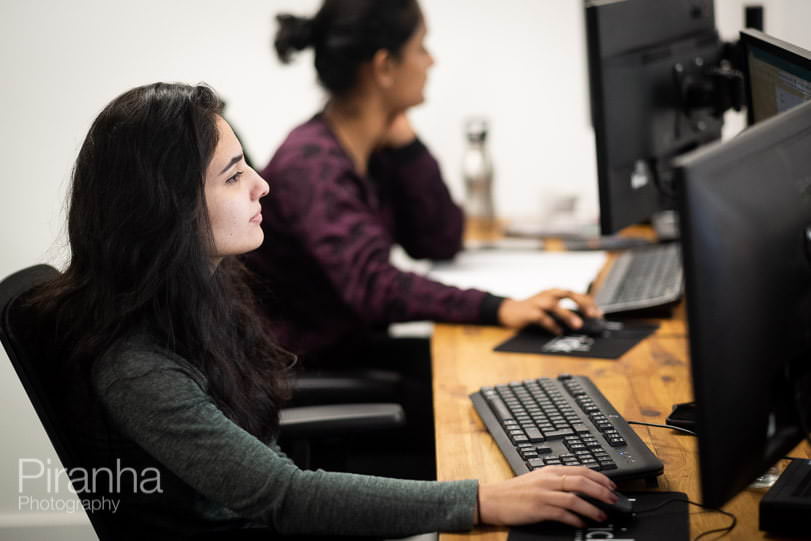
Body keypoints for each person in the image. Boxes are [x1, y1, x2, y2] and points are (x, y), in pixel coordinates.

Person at [28, 82, 617, 539]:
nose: (262, 186)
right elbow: (282, 496)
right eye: (235, 176)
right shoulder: (138, 368)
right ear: (170, 209)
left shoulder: (200, 293)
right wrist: (483, 499)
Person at [245, 0, 602, 368]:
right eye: (421, 47)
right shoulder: (311, 164)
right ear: (385, 66)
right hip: (313, 369)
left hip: (355, 352)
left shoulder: (370, 150)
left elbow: (439, 240)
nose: (431, 61)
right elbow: (373, 287)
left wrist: (408, 148)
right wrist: (499, 307)